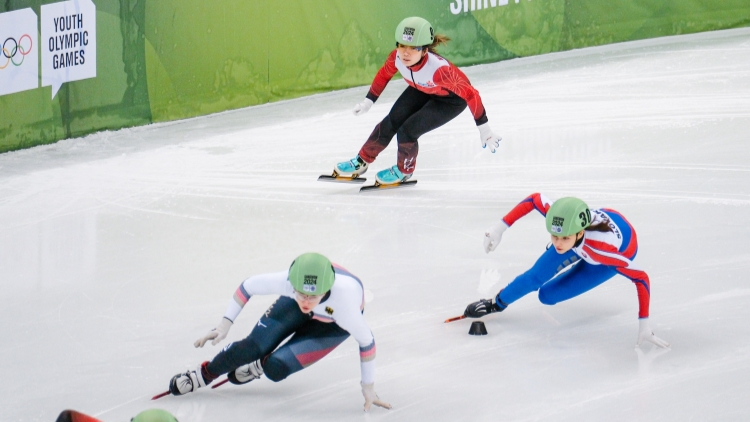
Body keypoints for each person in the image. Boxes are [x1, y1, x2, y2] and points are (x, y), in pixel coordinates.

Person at [167, 252, 391, 412]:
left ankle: (261, 365)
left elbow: (367, 343)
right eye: (301, 293)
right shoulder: (288, 283)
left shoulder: (345, 306)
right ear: (292, 284)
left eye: (313, 296)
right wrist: (224, 324)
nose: (306, 301)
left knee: (276, 368)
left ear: (327, 290)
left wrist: (368, 387)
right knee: (251, 347)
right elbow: (248, 286)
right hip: (294, 304)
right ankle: (204, 374)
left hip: (332, 324)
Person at [464, 193, 669, 348]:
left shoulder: (601, 251)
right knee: (536, 277)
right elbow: (534, 200)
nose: (558, 243)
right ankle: (497, 303)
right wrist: (499, 228)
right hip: (587, 233)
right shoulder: (562, 220)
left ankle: (576, 256)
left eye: (563, 238)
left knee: (548, 295)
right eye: (554, 236)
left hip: (619, 249)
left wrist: (644, 324)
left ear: (580, 232)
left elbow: (641, 278)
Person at [334, 16, 501, 185]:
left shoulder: (440, 71)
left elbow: (471, 94)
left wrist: (484, 129)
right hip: (422, 89)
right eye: (401, 45)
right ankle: (362, 160)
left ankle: (404, 170)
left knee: (407, 131)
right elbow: (384, 75)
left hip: (450, 101)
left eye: (413, 48)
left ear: (425, 51)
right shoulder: (396, 58)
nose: (406, 53)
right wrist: (368, 102)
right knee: (391, 121)